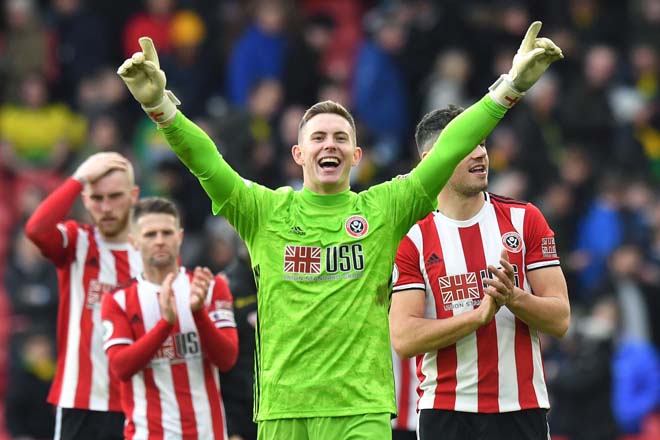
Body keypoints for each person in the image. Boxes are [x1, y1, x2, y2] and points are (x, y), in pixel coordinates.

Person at [117, 21, 562, 439]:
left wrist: (510, 87)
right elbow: (206, 163)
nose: (329, 144)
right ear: (298, 153)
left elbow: (448, 150)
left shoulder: (384, 208)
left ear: (356, 155)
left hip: (360, 409)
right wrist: (160, 109)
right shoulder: (264, 211)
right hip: (282, 408)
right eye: (318, 137)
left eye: (340, 138)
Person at [389, 104, 571, 440]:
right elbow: (403, 338)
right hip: (446, 412)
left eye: (482, 143)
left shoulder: (525, 219)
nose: (480, 154)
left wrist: (513, 297)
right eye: (466, 145)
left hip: (522, 408)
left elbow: (560, 319)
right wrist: (477, 317)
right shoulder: (412, 237)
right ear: (432, 160)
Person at [101, 196, 239, 439]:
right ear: (134, 241)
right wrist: (165, 324)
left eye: (167, 232)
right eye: (150, 234)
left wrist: (198, 314)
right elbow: (121, 367)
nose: (160, 241)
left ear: (180, 236)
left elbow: (227, 359)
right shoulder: (118, 300)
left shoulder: (209, 287)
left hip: (207, 433)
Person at [24, 151, 140, 440]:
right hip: (81, 401)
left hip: (137, 402)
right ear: (85, 200)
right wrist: (78, 178)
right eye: (97, 198)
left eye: (115, 196)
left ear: (134, 195)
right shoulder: (79, 242)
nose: (106, 207)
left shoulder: (151, 254)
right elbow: (36, 229)